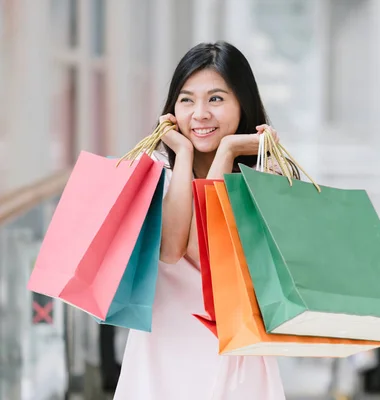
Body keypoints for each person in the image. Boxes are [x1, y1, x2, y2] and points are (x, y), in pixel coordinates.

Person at [113, 41, 286, 399]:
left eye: (216, 99)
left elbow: (209, 253)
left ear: (243, 105)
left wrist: (228, 153)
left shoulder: (268, 182)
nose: (200, 113)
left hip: (231, 355)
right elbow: (175, 249)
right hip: (160, 351)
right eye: (187, 99)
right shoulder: (152, 179)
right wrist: (185, 153)